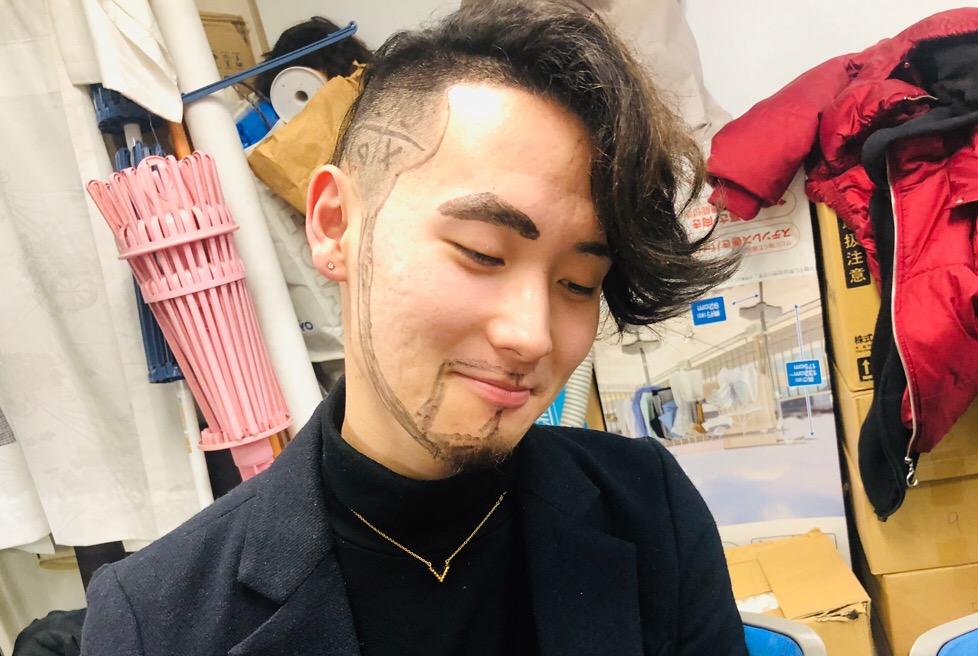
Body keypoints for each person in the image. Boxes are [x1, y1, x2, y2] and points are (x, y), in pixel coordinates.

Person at [80, 1, 748, 654]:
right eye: (483, 253)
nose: (532, 336)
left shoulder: (648, 508)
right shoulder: (156, 621)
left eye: (578, 284)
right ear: (336, 224)